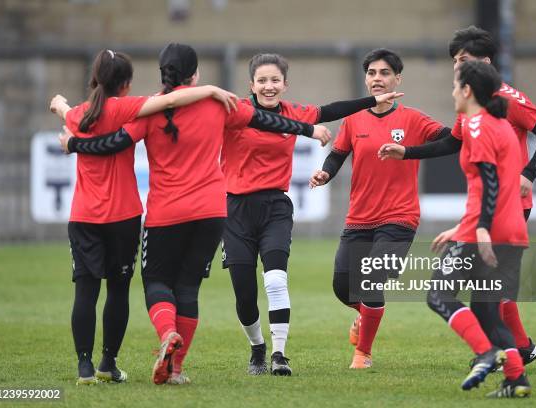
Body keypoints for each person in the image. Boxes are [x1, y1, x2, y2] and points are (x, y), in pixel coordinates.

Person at [58, 43, 332, 385]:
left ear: (163, 74)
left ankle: (167, 333)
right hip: (212, 210)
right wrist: (310, 129)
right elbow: (266, 119)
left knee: (157, 282)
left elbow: (112, 142)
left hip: (166, 212)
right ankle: (176, 368)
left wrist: (73, 143)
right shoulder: (217, 104)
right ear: (196, 74)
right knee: (188, 287)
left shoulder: (148, 111)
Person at [49, 48, 238, 385]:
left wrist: (64, 114)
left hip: (84, 215)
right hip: (124, 215)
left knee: (86, 292)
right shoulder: (127, 107)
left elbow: (70, 114)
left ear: (94, 79)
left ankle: (84, 369)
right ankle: (110, 363)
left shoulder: (77, 114)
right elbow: (168, 102)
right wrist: (210, 89)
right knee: (120, 291)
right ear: (126, 84)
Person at [379, 26, 536, 366]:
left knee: (470, 291)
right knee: (488, 290)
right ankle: (518, 352)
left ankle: (500, 355)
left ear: (485, 61)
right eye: (454, 61)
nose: (456, 66)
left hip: (508, 208)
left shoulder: (508, 98)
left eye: (463, 59)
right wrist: (407, 152)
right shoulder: (471, 103)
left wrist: (528, 174)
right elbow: (453, 143)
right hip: (487, 210)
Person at [221, 53, 402, 376]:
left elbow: (332, 110)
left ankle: (279, 355)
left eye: (275, 80)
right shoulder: (239, 112)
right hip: (235, 210)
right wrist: (308, 130)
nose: (269, 86)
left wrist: (372, 100)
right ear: (251, 85)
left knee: (276, 280)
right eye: (262, 80)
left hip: (276, 207)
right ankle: (257, 348)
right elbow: (277, 123)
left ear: (285, 84)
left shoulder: (295, 109)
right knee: (245, 293)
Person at [384, 60, 532, 397]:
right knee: (485, 308)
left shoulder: (478, 126)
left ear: (467, 90)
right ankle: (516, 378)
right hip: (509, 230)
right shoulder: (497, 124)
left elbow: (490, 182)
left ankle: (485, 353)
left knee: (438, 295)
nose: (452, 92)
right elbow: (495, 186)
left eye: (455, 86)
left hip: (487, 230)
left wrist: (478, 228)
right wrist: (463, 227)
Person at [309, 48, 452, 369]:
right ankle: (365, 317)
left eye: (384, 73)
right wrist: (325, 173)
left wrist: (409, 151)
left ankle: (363, 353)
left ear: (397, 79)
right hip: (359, 217)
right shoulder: (354, 118)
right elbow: (338, 154)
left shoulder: (413, 118)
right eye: (372, 73)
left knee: (371, 278)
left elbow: (452, 140)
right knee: (343, 288)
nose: (377, 79)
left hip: (400, 217)